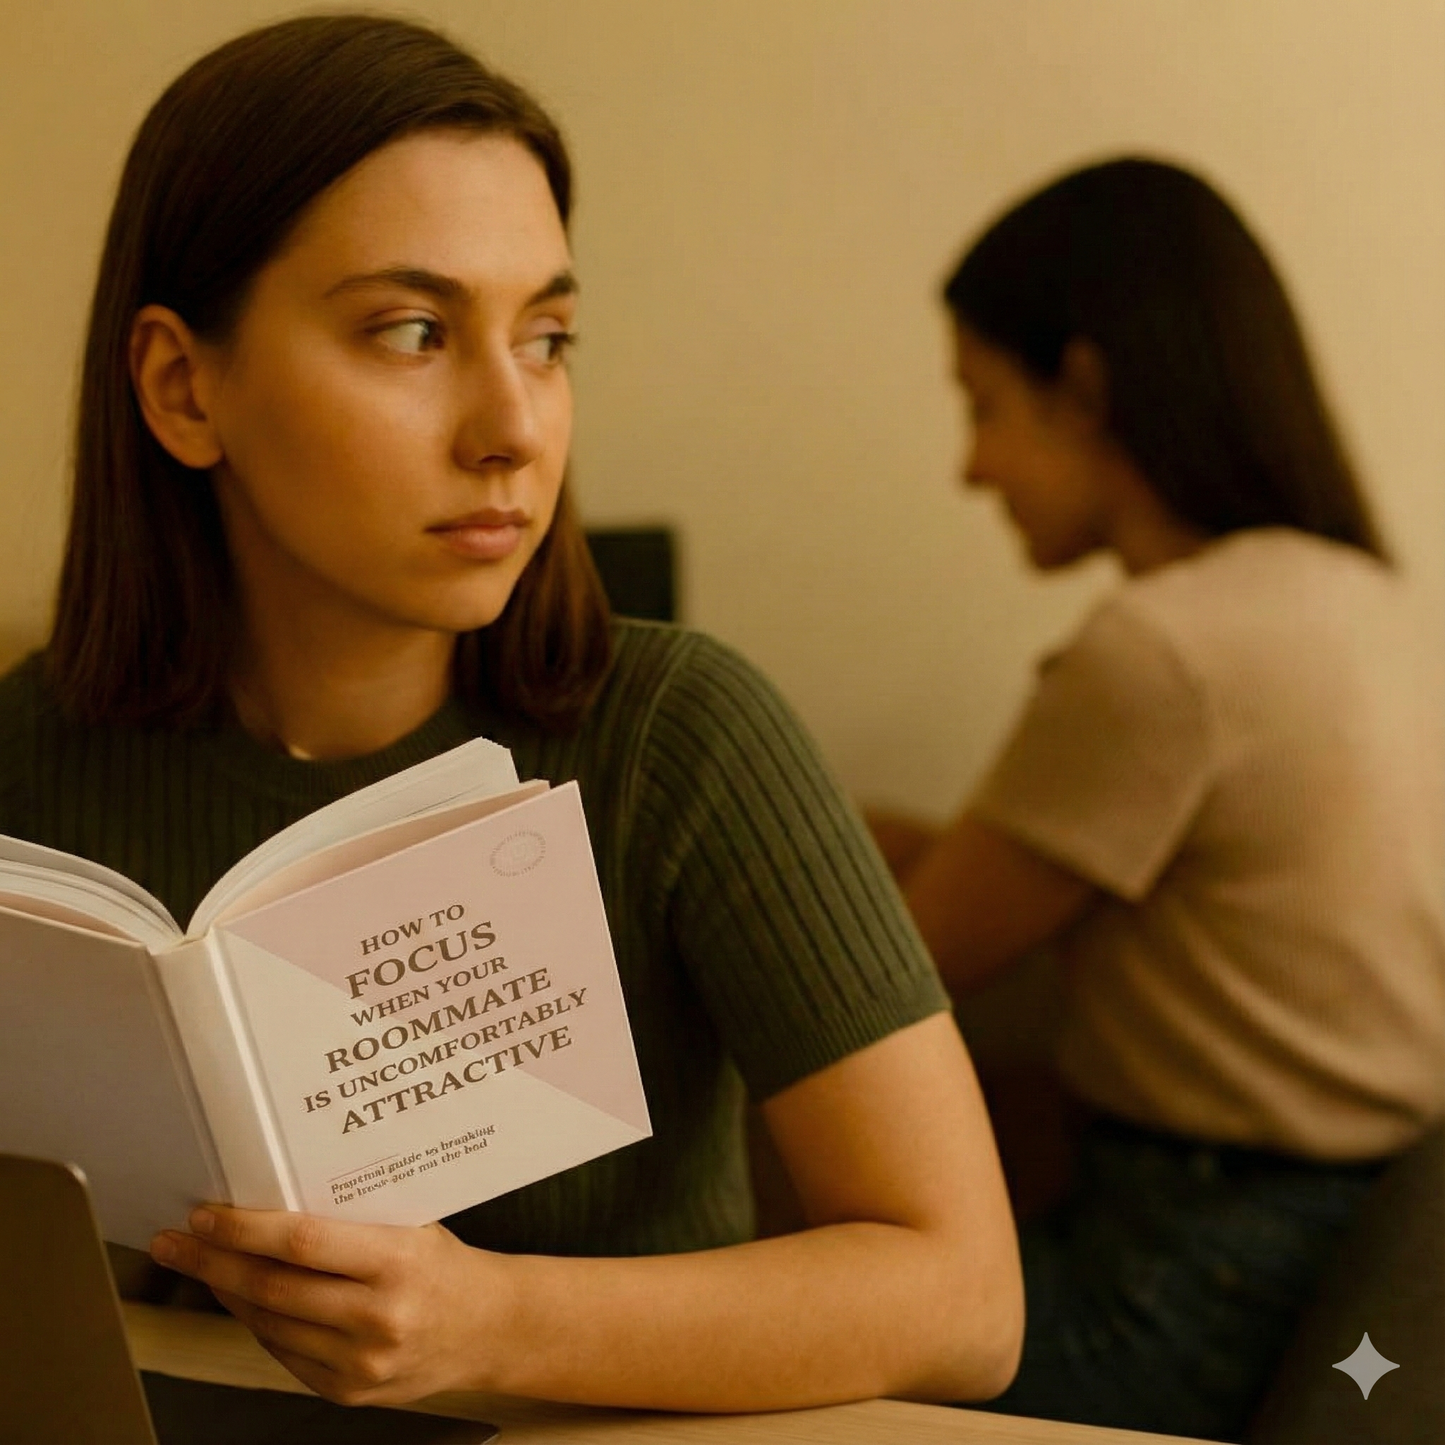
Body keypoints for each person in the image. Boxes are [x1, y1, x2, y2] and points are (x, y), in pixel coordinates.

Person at [0, 13, 1023, 1414]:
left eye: (546, 338)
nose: (513, 428)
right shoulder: (31, 755)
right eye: (413, 332)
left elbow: (965, 1299)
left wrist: (488, 1323)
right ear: (185, 388)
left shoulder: (681, 734)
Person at [875, 157, 1445, 1440]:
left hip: (1194, 1273)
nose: (970, 467)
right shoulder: (1355, 595)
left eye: (981, 406)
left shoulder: (1161, 653)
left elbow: (895, 971)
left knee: (803, 1368)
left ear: (1083, 388)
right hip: (1351, 1249)